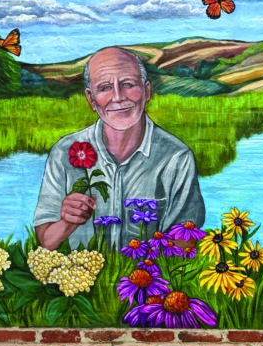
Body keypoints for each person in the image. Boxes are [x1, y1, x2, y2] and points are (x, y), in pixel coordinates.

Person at [34, 47, 205, 250]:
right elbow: (46, 241)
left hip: (149, 279)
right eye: (105, 87)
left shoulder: (177, 157)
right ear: (91, 99)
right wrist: (68, 221)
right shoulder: (64, 151)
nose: (118, 97)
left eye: (128, 84)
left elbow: (184, 245)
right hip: (82, 279)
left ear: (147, 91)